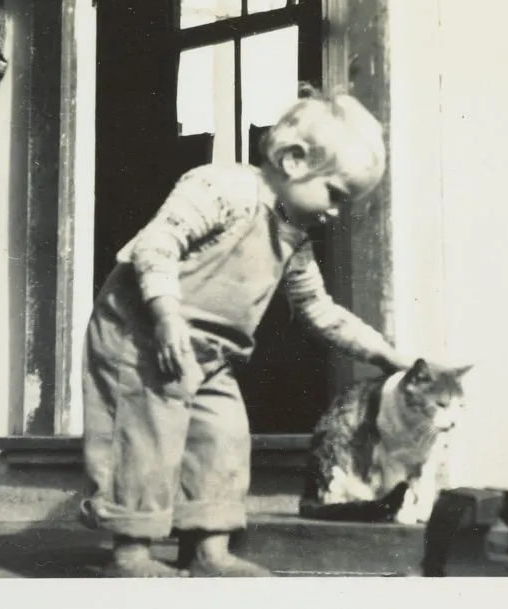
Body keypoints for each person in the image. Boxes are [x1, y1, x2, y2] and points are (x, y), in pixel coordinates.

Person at [79, 85, 413, 577]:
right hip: (143, 334)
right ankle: (129, 552)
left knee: (224, 438)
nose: (336, 212)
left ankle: (208, 548)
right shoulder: (222, 189)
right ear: (295, 160)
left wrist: (387, 355)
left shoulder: (293, 239)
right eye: (336, 194)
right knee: (146, 437)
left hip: (212, 354)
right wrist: (167, 314)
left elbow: (318, 309)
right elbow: (156, 246)